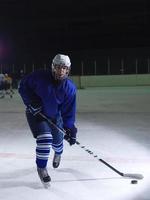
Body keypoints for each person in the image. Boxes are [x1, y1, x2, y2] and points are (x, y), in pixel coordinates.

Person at [18, 54, 77, 186]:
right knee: (45, 138)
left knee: (57, 142)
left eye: (64, 68)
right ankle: (42, 167)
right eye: (58, 67)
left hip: (54, 116)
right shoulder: (39, 77)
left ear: (68, 69)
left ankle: (58, 153)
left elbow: (68, 111)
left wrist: (70, 128)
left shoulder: (70, 88)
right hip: (36, 113)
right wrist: (31, 101)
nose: (61, 71)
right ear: (52, 67)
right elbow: (22, 86)